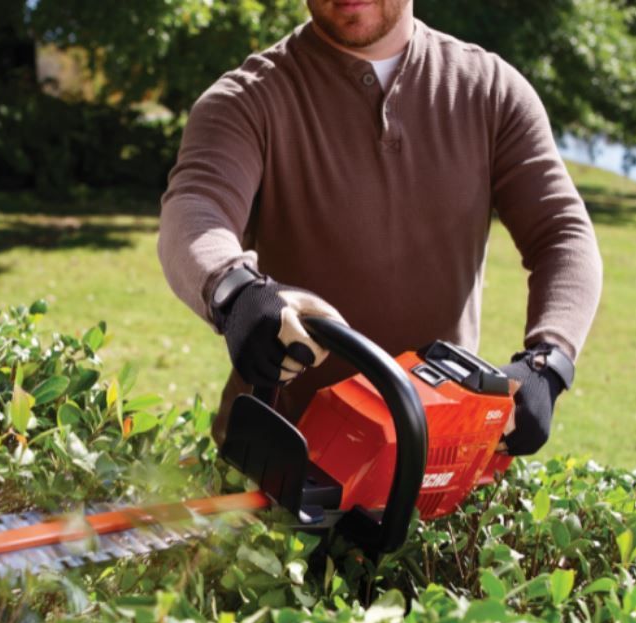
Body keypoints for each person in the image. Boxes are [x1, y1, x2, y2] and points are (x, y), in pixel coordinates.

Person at [157, 0, 602, 455]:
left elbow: (561, 234)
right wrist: (235, 292)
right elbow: (195, 208)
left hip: (435, 458)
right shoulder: (247, 97)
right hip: (277, 466)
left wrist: (548, 363)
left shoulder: (491, 91)